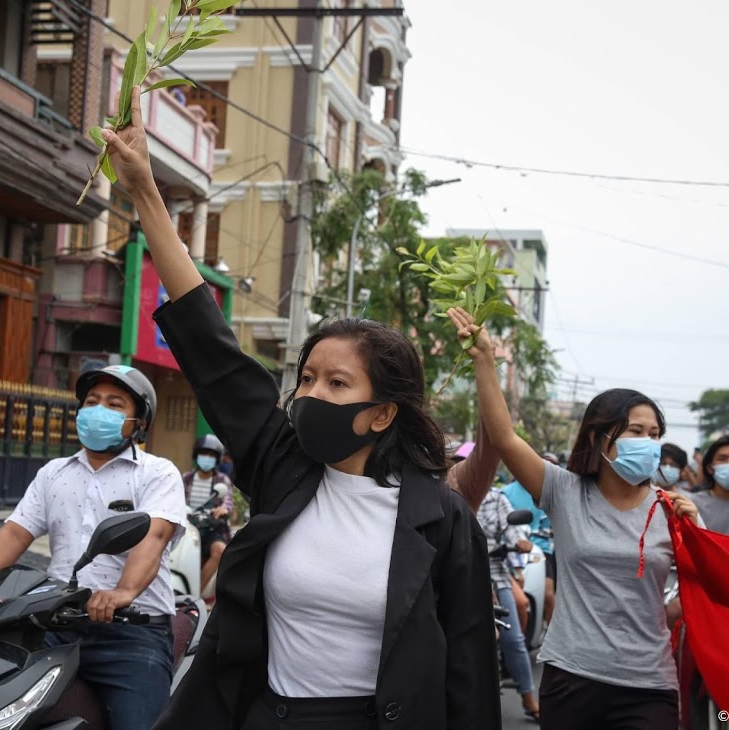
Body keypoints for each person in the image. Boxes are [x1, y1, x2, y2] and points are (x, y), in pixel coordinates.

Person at [100, 92, 500, 730]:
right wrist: (146, 191)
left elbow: (470, 673)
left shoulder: (441, 518)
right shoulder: (283, 463)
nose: (311, 395)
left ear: (381, 413)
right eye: (306, 378)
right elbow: (211, 346)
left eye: (337, 383)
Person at [447, 305, 699, 730]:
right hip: (571, 679)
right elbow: (505, 436)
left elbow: (702, 586)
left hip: (649, 684)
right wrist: (485, 361)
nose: (649, 443)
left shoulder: (673, 510)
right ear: (601, 438)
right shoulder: (563, 492)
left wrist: (665, 612)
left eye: (655, 434)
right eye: (635, 432)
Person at [0, 365, 186, 728]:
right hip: (54, 623)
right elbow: (14, 535)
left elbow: (153, 537)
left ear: (139, 422)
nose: (99, 410)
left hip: (131, 633)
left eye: (114, 404)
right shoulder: (54, 473)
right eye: (92, 401)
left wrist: (121, 593)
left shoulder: (157, 473)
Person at [478, 485, 540, 721]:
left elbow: (512, 530)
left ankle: (527, 696)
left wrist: (520, 541)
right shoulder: (448, 491)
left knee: (512, 637)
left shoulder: (496, 499)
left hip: (494, 571)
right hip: (458, 573)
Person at [503, 458, 557, 625]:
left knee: (548, 594)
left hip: (539, 551)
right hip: (509, 552)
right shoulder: (504, 493)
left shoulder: (546, 492)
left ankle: (550, 633)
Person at [183, 433, 235, 591]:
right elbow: (176, 501)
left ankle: (196, 593)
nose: (206, 458)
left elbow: (228, 502)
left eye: (211, 455)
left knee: (220, 550)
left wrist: (223, 509)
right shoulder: (187, 478)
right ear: (196, 455)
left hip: (211, 528)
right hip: (187, 528)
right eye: (203, 454)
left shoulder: (222, 481)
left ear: (217, 459)